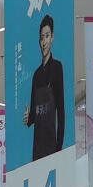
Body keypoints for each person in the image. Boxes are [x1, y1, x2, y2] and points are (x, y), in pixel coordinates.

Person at [26, 14, 66, 161]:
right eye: (41, 37)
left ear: (52, 37)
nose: (44, 42)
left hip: (51, 145)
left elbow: (61, 111)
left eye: (47, 36)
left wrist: (59, 148)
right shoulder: (36, 74)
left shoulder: (57, 67)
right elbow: (33, 116)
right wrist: (28, 118)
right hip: (37, 145)